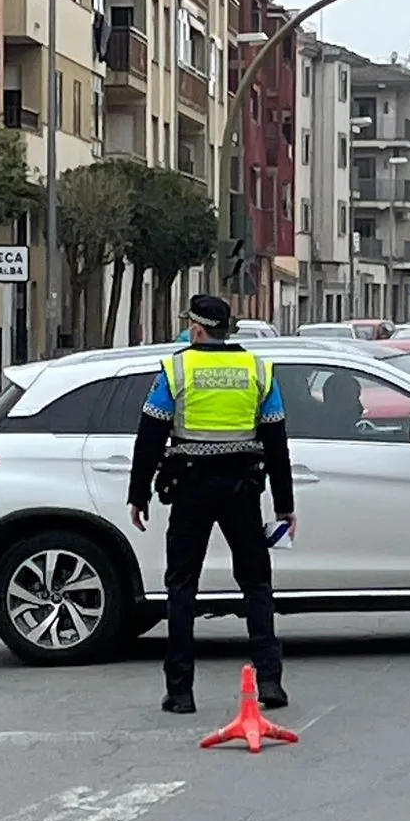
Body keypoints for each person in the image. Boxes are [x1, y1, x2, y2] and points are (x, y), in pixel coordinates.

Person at [126, 294, 296, 716]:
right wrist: (284, 503)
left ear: (197, 330)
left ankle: (180, 692)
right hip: (242, 490)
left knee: (182, 588)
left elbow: (149, 437)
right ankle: (270, 682)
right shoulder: (258, 370)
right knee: (256, 584)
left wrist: (138, 493)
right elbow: (277, 442)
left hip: (190, 489)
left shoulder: (176, 368)